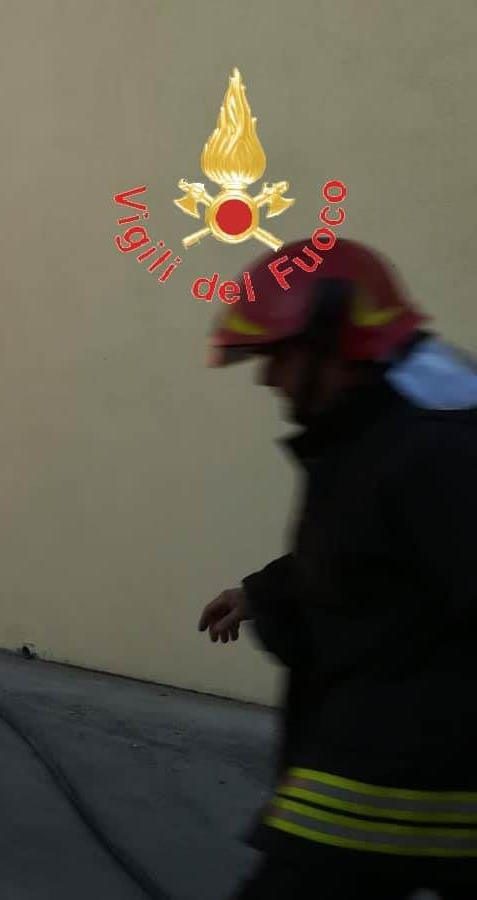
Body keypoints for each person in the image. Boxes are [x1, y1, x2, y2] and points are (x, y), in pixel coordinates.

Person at [197, 238, 477, 899]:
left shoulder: (436, 448)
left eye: (279, 356)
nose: (267, 378)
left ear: (334, 345)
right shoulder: (380, 432)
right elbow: (366, 552)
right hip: (380, 753)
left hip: (400, 777)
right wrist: (261, 592)